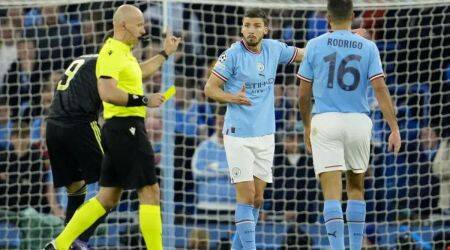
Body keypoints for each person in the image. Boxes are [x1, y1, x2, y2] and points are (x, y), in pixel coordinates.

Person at [44, 4, 181, 249]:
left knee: (107, 197)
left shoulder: (121, 53)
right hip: (124, 128)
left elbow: (138, 73)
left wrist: (164, 53)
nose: (143, 30)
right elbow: (107, 92)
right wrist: (144, 100)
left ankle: (61, 244)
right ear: (123, 25)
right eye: (139, 25)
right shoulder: (111, 53)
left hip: (100, 128)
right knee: (149, 190)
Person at [297, 1, 401, 249]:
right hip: (358, 122)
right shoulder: (368, 46)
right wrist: (394, 128)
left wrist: (306, 126)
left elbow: (303, 95)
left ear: (327, 18)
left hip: (326, 120)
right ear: (353, 16)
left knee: (332, 194)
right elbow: (379, 88)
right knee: (356, 188)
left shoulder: (315, 45)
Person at [204, 8, 304, 250]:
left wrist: (337, 40)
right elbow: (209, 89)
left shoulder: (274, 48)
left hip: (266, 134)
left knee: (258, 199)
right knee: (246, 196)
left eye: (256, 25)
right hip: (238, 134)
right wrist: (232, 98)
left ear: (265, 29)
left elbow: (305, 53)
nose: (250, 30)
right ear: (242, 28)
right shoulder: (232, 55)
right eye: (247, 25)